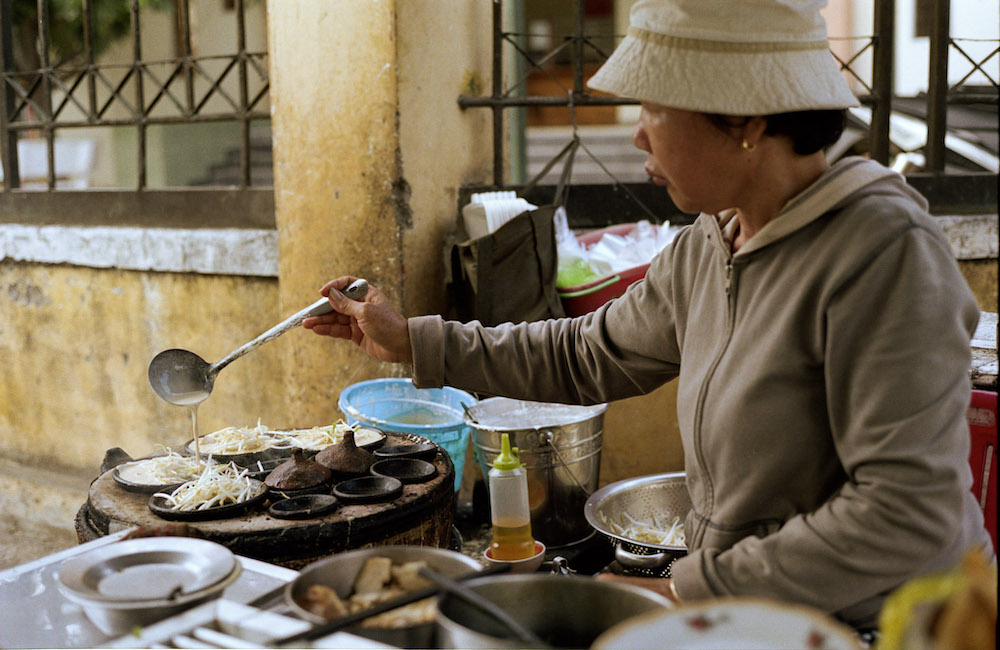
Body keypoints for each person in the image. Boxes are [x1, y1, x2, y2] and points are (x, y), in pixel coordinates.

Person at [303, 0, 993, 631]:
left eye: (654, 106)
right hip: (755, 616)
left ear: (747, 121)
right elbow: (588, 353)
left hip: (887, 626)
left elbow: (903, 512)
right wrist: (414, 341)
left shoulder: (883, 255)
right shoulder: (711, 245)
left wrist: (691, 588)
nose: (637, 135)